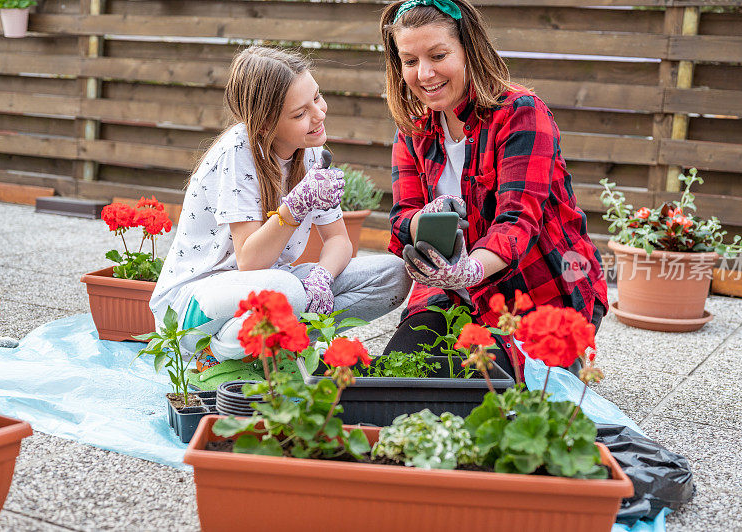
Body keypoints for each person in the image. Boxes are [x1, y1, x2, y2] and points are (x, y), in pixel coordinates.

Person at [379, 0, 608, 379]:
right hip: (449, 294)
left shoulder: (520, 114)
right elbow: (401, 218)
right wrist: (424, 220)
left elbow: (517, 223)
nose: (424, 73)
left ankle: (561, 361)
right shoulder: (413, 132)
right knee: (398, 375)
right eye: (409, 60)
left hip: (539, 293)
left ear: (470, 49)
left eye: (438, 55)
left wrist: (470, 269)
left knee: (480, 388)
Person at [150, 46, 410, 380]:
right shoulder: (238, 150)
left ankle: (279, 344)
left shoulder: (312, 153)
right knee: (286, 291)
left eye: (317, 98)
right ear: (265, 125)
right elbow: (250, 261)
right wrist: (295, 206)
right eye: (300, 113)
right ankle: (214, 353)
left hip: (271, 290)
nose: (318, 114)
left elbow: (339, 242)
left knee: (393, 274)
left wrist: (323, 277)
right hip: (193, 307)